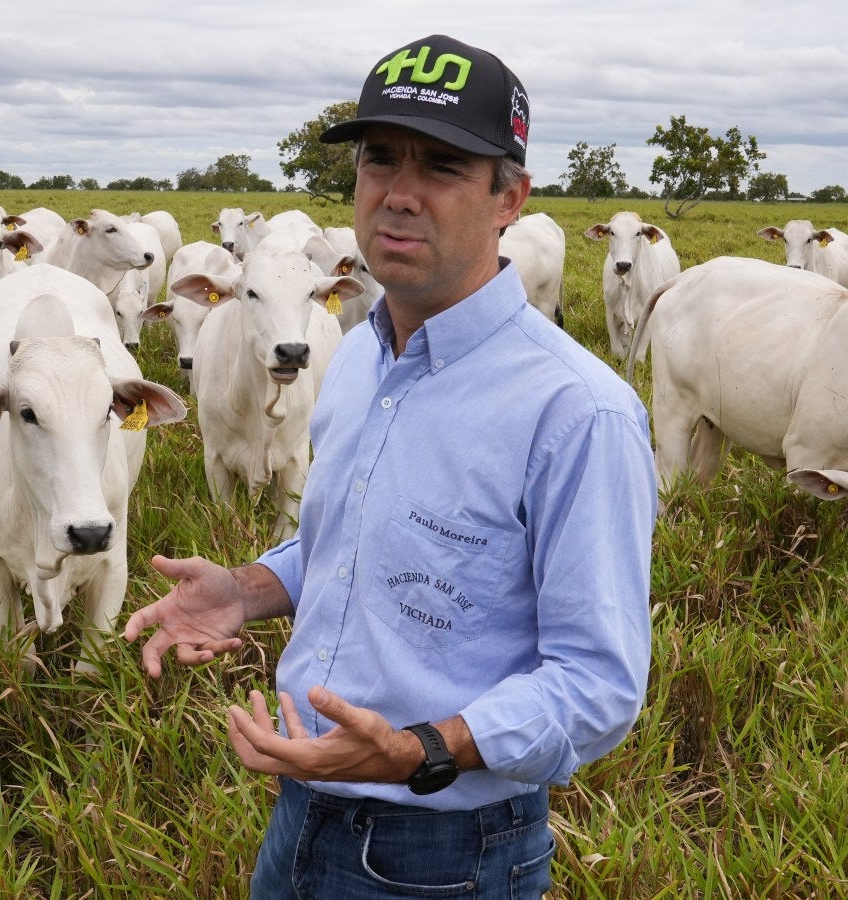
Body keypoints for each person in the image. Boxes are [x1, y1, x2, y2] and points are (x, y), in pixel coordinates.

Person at [124, 33, 657, 898]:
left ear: (508, 198)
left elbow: (597, 686)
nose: (400, 195)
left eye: (443, 166)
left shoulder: (576, 413)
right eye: (380, 160)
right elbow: (357, 537)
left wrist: (419, 749)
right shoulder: (359, 357)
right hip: (299, 811)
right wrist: (247, 589)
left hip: (446, 851)